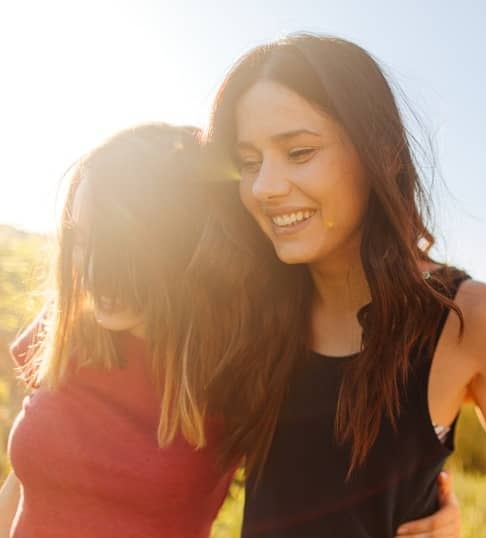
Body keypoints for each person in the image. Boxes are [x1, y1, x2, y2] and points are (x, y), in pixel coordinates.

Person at [0, 123, 462, 538]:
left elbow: (356, 460)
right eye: (82, 239)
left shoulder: (240, 366)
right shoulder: (67, 331)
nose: (97, 275)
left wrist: (433, 505)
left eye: (124, 250)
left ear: (184, 245)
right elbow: (24, 483)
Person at [205, 34, 486, 538]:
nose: (265, 186)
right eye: (250, 162)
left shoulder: (467, 319)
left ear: (381, 152)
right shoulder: (245, 305)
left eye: (298, 151)